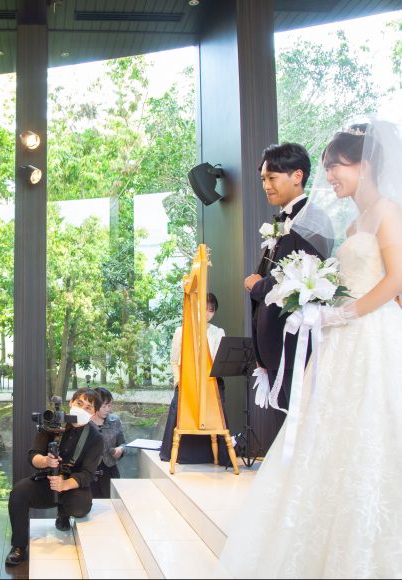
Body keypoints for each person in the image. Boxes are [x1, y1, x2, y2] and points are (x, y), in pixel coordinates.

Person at [220, 118, 402, 578]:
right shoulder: (355, 222)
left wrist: (342, 314)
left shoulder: (388, 212)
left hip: (370, 336)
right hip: (342, 340)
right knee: (331, 436)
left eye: (336, 166)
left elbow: (395, 281)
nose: (330, 176)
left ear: (365, 165)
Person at [244, 143, 333, 449]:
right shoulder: (283, 221)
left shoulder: (313, 220)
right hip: (276, 345)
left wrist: (257, 285)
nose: (266, 185)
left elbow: (307, 281)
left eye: (272, 178)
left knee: (303, 430)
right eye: (263, 179)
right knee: (289, 431)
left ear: (297, 175)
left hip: (297, 343)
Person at [5, 387, 104, 566]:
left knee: (80, 508)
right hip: (47, 479)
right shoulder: (52, 423)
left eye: (88, 407)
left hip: (73, 484)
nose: (82, 409)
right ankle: (18, 546)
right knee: (18, 492)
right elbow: (33, 455)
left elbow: (88, 474)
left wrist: (65, 484)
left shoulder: (95, 437)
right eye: (79, 403)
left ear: (94, 414)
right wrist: (45, 461)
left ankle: (64, 514)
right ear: (71, 403)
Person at [159, 292, 229, 465]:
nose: (207, 313)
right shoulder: (181, 331)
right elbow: (174, 361)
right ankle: (178, 454)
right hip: (187, 383)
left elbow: (219, 360)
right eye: (204, 308)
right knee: (180, 404)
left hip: (210, 382)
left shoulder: (218, 332)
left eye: (211, 310)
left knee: (215, 403)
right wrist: (179, 382)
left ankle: (215, 455)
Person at [90, 387, 126, 499]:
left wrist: (120, 450)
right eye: (104, 406)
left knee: (113, 503)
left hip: (110, 471)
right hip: (89, 472)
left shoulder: (115, 421)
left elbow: (123, 444)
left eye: (109, 405)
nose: (107, 409)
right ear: (94, 405)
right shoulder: (84, 422)